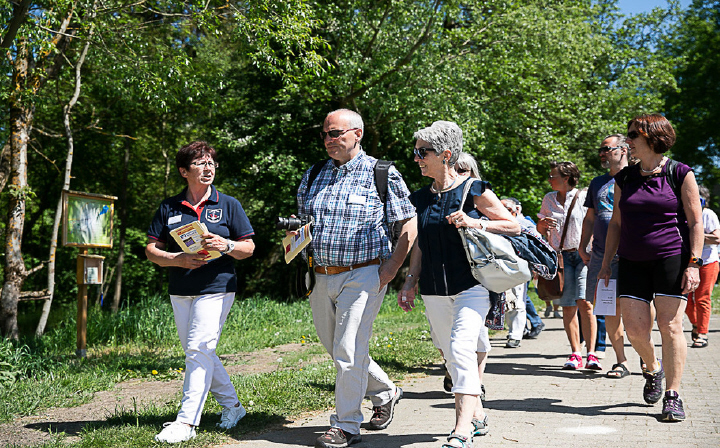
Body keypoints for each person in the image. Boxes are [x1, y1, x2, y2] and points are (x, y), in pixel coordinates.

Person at [295, 109, 417, 448]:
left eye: (335, 133)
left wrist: (391, 270)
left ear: (357, 134)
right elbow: (303, 220)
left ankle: (346, 425)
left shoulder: (382, 172)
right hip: (321, 274)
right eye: (325, 134)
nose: (329, 140)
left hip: (365, 273)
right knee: (336, 348)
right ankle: (387, 392)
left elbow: (408, 224)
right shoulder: (315, 172)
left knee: (348, 349)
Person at [399, 121, 521, 448]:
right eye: (416, 151)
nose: (416, 158)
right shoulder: (421, 198)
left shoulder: (473, 190)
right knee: (450, 357)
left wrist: (474, 220)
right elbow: (421, 244)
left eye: (422, 152)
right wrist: (409, 281)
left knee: (461, 348)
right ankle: (477, 415)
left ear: (446, 154)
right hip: (433, 290)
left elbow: (511, 225)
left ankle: (461, 428)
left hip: (473, 285)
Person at [146, 141, 255, 443]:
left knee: (197, 349)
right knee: (200, 351)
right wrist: (175, 259)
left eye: (211, 163)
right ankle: (233, 407)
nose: (208, 168)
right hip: (180, 289)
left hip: (218, 286)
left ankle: (186, 422)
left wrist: (228, 245)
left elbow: (249, 248)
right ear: (184, 171)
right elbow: (151, 249)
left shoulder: (228, 204)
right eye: (200, 163)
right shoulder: (168, 207)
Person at [598, 113, 703, 422]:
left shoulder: (680, 174)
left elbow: (696, 220)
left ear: (653, 138)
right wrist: (606, 264)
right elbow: (616, 223)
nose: (627, 139)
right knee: (634, 328)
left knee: (670, 327)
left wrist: (694, 263)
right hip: (631, 260)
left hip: (671, 257)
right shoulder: (624, 178)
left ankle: (672, 395)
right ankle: (653, 368)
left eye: (633, 134)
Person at [537, 161, 601, 371]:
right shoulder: (549, 199)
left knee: (585, 302)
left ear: (566, 178)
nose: (549, 179)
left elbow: (594, 222)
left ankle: (592, 354)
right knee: (568, 306)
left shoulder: (583, 197)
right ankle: (575, 353)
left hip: (583, 255)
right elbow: (540, 227)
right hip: (561, 257)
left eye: (552, 175)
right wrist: (543, 225)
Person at [579, 134, 631, 378]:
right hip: (600, 255)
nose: (601, 153)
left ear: (623, 150)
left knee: (636, 307)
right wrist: (582, 245)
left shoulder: (637, 177)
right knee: (608, 308)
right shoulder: (597, 182)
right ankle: (621, 361)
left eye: (606, 148)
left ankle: (645, 356)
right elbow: (590, 217)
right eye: (600, 149)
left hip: (632, 254)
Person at [500, 197, 544, 345]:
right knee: (506, 300)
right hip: (500, 267)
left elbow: (536, 244)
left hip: (520, 267)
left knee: (518, 300)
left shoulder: (525, 224)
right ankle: (517, 330)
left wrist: (536, 267)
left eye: (507, 209)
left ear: (515, 210)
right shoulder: (494, 222)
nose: (503, 212)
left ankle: (515, 336)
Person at [685, 185, 719, 348]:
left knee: (702, 299)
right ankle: (696, 324)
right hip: (688, 261)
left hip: (707, 262)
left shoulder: (708, 214)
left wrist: (696, 234)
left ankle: (702, 334)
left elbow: (717, 238)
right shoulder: (685, 214)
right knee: (686, 301)